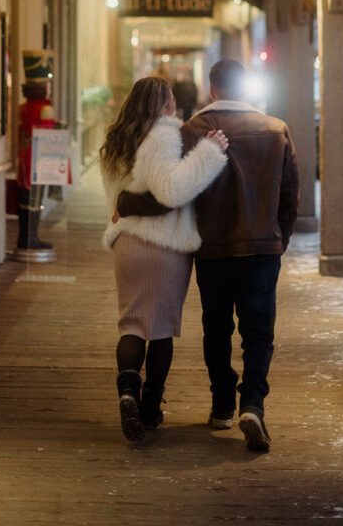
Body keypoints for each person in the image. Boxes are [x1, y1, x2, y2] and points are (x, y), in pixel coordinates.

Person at [118, 58, 299, 453]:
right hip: (261, 248)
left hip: (213, 250)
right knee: (258, 334)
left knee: (216, 329)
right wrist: (277, 240)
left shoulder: (190, 131)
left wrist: (126, 203)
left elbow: (172, 193)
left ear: (212, 89)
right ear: (245, 87)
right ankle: (252, 405)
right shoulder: (275, 129)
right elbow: (290, 195)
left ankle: (221, 405)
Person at [100, 75, 228, 442]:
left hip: (127, 243)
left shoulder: (117, 141)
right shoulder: (162, 135)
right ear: (167, 105)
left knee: (131, 324)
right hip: (162, 245)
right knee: (160, 329)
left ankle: (127, 389)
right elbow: (171, 190)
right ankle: (150, 407)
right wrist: (209, 151)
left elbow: (120, 197)